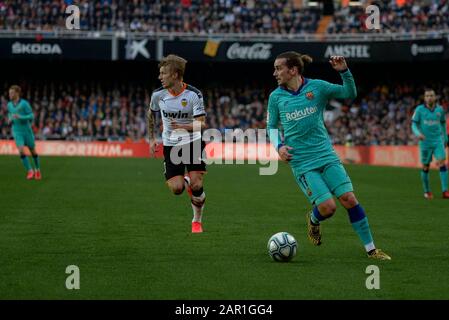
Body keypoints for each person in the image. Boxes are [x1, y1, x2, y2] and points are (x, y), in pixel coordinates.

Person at [266, 51, 391, 260]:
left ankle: (371, 250)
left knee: (349, 199)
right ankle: (314, 219)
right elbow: (270, 126)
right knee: (328, 207)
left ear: (293, 70)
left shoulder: (318, 87)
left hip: (326, 155)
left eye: (278, 68)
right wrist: (278, 146)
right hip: (302, 162)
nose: (274, 73)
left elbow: (349, 93)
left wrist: (344, 72)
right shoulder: (276, 97)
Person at [147, 54, 207, 233]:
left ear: (175, 75)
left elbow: (202, 124)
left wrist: (183, 126)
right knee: (177, 189)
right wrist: (151, 139)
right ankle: (185, 181)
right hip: (171, 145)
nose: (160, 77)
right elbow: (151, 114)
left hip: (193, 142)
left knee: (197, 185)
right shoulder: (158, 95)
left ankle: (196, 221)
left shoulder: (194, 95)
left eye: (163, 73)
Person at [411, 89, 449, 199]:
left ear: (435, 97)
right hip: (425, 142)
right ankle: (427, 191)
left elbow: (442, 122)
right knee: (425, 166)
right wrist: (418, 133)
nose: (429, 97)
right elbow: (413, 124)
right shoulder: (419, 110)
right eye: (427, 96)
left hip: (438, 141)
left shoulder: (440, 110)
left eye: (431, 95)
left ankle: (445, 191)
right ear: (424, 98)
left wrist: (445, 137)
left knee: (442, 162)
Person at [7, 85, 41, 180]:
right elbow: (10, 114)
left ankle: (37, 169)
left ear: (17, 93)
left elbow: (31, 116)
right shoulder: (9, 105)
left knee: (32, 151)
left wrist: (20, 117)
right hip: (17, 131)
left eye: (12, 93)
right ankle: (30, 171)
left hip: (26, 130)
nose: (10, 94)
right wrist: (9, 119)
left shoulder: (24, 104)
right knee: (21, 151)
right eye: (9, 93)